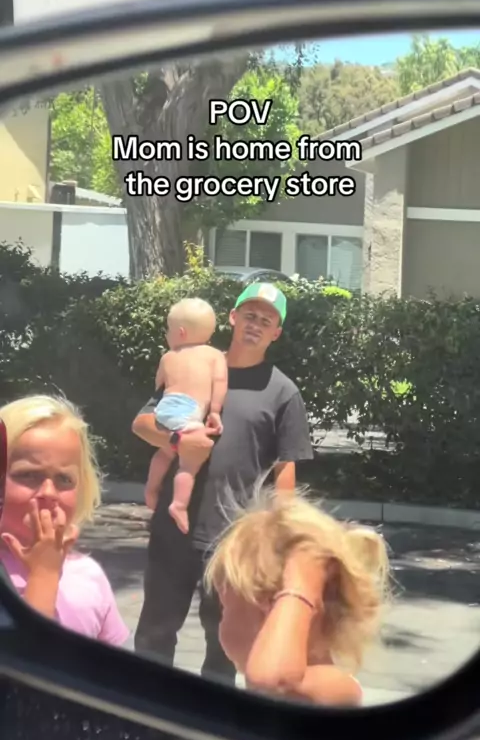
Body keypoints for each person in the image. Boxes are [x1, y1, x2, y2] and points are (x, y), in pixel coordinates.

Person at [131, 282, 313, 681]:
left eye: (266, 320)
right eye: (249, 315)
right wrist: (177, 440)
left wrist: (279, 537)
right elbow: (143, 423)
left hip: (234, 540)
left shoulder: (283, 392)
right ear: (232, 317)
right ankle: (144, 712)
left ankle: (213, 720)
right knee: (154, 634)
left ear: (276, 333)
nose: (256, 324)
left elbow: (285, 468)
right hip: (174, 529)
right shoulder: (195, 364)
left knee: (225, 647)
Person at [204, 488, 390, 706]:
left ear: (270, 607)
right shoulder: (282, 681)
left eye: (224, 608)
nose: (220, 625)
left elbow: (271, 683)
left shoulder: (338, 687)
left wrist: (300, 584)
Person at [0, 394, 129, 646]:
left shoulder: (89, 575)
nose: (49, 492)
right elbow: (27, 660)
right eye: (28, 475)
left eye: (64, 479)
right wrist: (44, 576)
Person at [144, 297, 228, 535]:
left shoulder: (168, 356)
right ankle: (179, 504)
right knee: (189, 463)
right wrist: (214, 411)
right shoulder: (214, 355)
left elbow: (159, 384)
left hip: (166, 408)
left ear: (180, 332)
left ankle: (151, 488)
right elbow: (219, 382)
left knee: (165, 451)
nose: (166, 335)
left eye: (168, 330)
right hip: (190, 410)